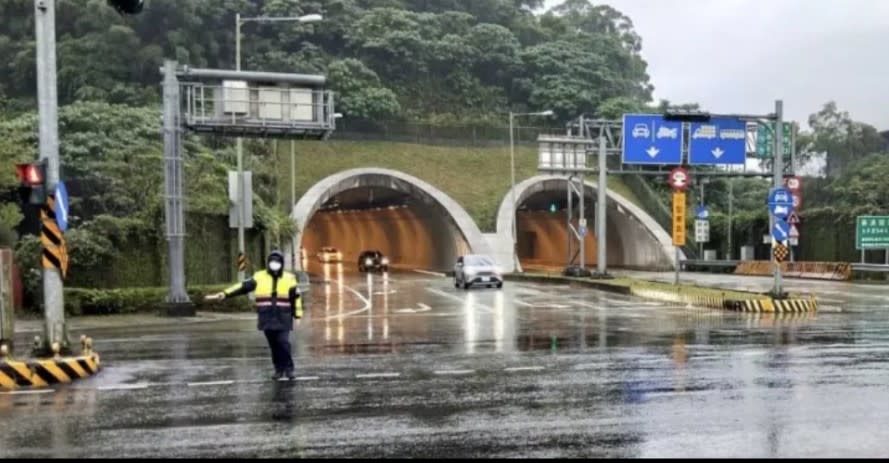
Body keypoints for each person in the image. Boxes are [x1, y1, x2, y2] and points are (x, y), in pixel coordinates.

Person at [205, 250, 303, 380]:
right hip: (267, 317)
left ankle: (289, 369)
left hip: (283, 317)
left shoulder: (289, 278)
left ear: (281, 263)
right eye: (272, 261)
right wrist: (225, 293)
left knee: (283, 343)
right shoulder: (259, 276)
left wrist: (298, 315)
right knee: (274, 345)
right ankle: (278, 369)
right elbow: (243, 286)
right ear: (268, 263)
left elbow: (295, 297)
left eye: (277, 262)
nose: (275, 264)